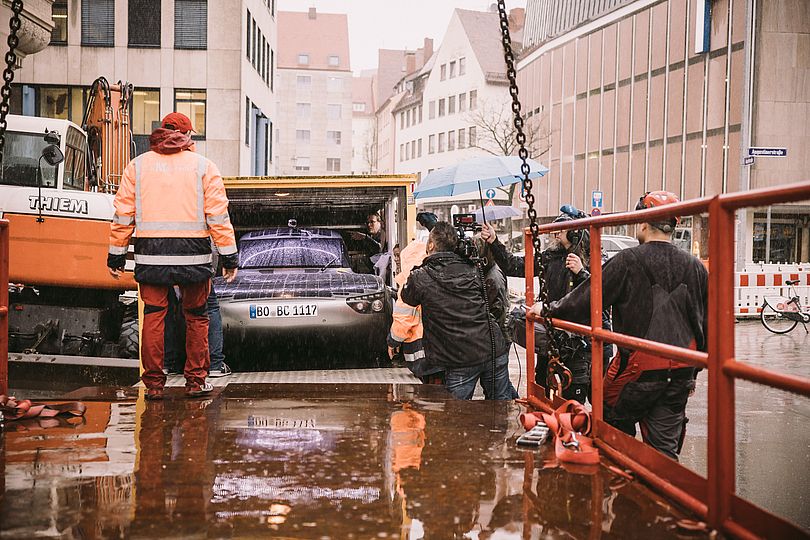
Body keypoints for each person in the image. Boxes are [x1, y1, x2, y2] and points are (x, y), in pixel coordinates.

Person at [535, 191, 708, 460]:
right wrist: (694, 371)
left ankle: (621, 472)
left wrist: (548, 309)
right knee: (663, 453)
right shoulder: (696, 267)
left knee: (609, 415)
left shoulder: (628, 261)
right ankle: (658, 489)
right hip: (681, 370)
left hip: (638, 369)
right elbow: (703, 322)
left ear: (642, 222)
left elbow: (587, 299)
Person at [107, 112, 238, 399]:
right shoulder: (204, 167)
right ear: (188, 137)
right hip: (193, 257)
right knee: (197, 316)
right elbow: (217, 216)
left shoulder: (137, 166)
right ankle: (196, 381)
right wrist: (229, 257)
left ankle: (154, 384)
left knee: (154, 315)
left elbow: (123, 215)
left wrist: (116, 255)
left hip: (151, 256)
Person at [481, 206, 611, 403]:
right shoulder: (551, 257)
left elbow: (600, 296)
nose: (556, 234)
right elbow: (514, 265)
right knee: (541, 389)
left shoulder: (594, 259)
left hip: (579, 344)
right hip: (552, 336)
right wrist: (494, 242)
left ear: (575, 232)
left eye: (561, 229)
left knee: (573, 400)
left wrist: (581, 273)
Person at [400, 221, 513, 400]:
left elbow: (408, 297)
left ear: (430, 245)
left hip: (459, 357)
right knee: (502, 407)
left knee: (455, 416)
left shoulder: (421, 276)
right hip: (492, 347)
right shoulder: (472, 268)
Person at [388, 212, 444, 384]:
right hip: (445, 349)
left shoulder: (409, 285)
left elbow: (403, 320)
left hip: (422, 352)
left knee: (428, 397)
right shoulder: (438, 276)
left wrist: (392, 341)